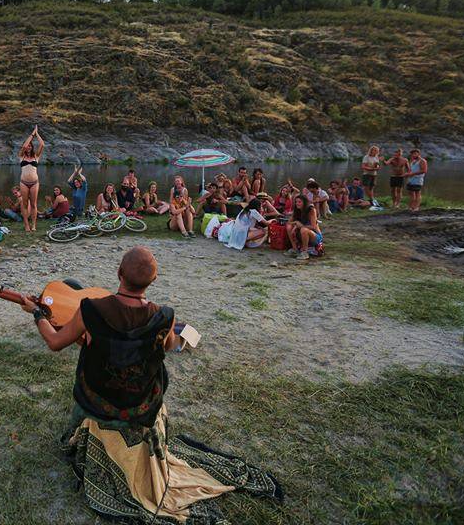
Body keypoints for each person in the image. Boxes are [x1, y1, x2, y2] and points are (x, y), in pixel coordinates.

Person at [18, 247, 281, 521]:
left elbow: (54, 342)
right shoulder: (164, 316)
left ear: (119, 273)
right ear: (153, 282)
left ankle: (81, 432)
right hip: (141, 403)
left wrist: (38, 314)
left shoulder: (91, 309)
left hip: (98, 398)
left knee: (90, 378)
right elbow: (168, 346)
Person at [18, 126, 45, 232]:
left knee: (33, 204)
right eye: (27, 146)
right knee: (24, 204)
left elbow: (42, 144)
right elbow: (24, 145)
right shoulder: (21, 156)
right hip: (24, 183)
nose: (28, 147)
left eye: (30, 146)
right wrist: (32, 134)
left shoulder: (36, 156)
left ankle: (33, 225)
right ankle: (26, 225)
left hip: (34, 183)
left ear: (32, 147)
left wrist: (37, 133)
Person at [285, 194, 322, 260]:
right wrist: (295, 224)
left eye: (299, 202)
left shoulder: (311, 210)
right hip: (301, 234)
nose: (297, 204)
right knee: (289, 226)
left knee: (303, 229)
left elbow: (313, 227)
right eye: (296, 202)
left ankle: (305, 252)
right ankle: (295, 249)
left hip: (314, 235)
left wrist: (300, 225)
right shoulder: (297, 210)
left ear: (304, 202)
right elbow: (289, 222)